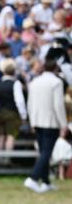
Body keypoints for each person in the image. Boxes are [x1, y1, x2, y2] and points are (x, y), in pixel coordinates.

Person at [24, 57, 67, 193]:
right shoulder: (56, 82)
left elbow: (30, 103)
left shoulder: (35, 81)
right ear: (55, 68)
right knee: (46, 153)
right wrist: (63, 124)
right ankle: (33, 178)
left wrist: (31, 120)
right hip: (50, 121)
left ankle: (46, 182)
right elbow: (58, 105)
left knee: (43, 152)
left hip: (37, 120)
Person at [0, 62, 27, 166]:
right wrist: (23, 115)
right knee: (10, 136)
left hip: (1, 113)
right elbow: (19, 101)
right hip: (13, 113)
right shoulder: (16, 84)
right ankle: (6, 160)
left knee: (1, 136)